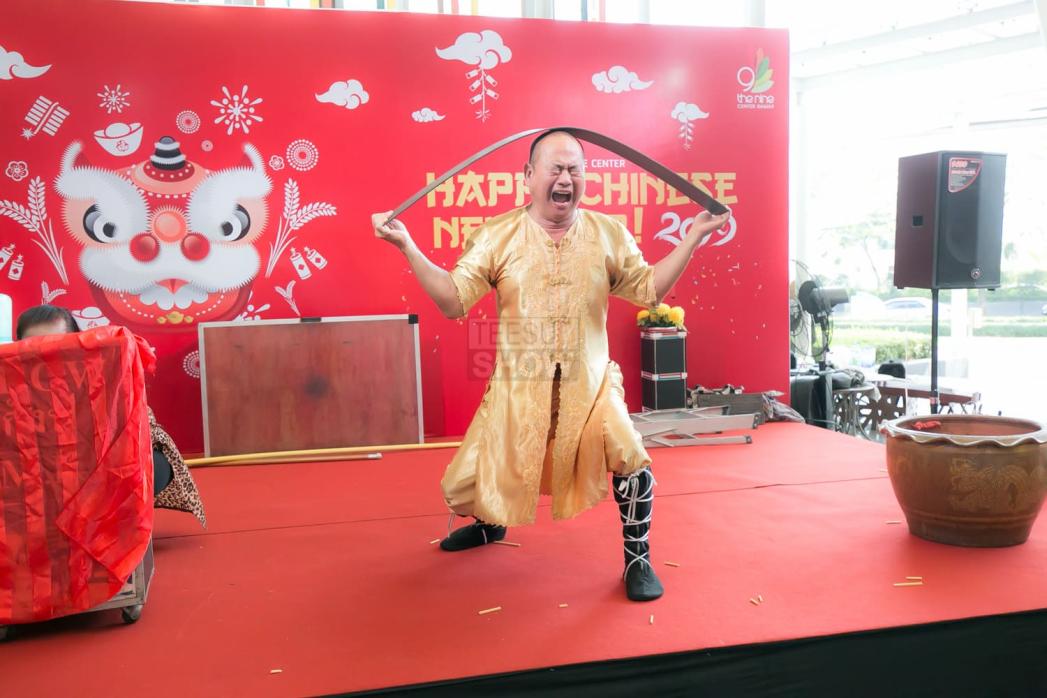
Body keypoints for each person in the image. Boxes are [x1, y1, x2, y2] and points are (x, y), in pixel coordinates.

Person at [372, 131, 729, 601]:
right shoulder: (497, 235)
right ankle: (490, 523)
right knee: (484, 468)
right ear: (528, 177)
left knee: (630, 454)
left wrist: (694, 237)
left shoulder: (608, 233)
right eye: (555, 169)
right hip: (519, 385)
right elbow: (454, 300)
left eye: (575, 170)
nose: (566, 179)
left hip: (591, 383)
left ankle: (638, 559)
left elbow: (648, 290)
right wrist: (407, 247)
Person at [16, 304, 206, 527]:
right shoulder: (8, 385)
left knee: (153, 464)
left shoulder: (102, 373)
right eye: (32, 348)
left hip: (95, 475)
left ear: (77, 342)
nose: (44, 356)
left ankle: (107, 530)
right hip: (34, 479)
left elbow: (143, 432)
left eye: (55, 346)